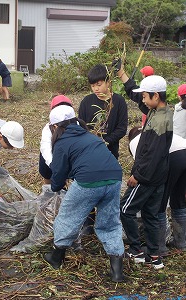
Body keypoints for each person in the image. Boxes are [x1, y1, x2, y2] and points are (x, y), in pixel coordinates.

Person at [43, 105, 125, 282]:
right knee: (110, 222)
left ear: (55, 127)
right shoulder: (90, 137)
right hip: (114, 177)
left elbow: (57, 173)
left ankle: (56, 258)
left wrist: (56, 187)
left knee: (68, 217)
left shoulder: (62, 142)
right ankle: (117, 271)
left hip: (89, 181)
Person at [119, 75, 173, 270]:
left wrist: (138, 175)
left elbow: (152, 154)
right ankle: (155, 255)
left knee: (125, 209)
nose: (142, 100)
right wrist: (125, 79)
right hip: (159, 176)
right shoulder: (161, 112)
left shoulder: (159, 121)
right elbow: (140, 103)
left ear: (156, 96)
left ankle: (137, 250)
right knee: (150, 215)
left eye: (144, 96)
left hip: (147, 177)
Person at [129, 128, 186, 256]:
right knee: (179, 199)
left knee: (159, 202)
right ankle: (181, 243)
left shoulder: (135, 142)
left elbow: (142, 166)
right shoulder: (156, 135)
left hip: (173, 157)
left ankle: (160, 247)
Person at [78, 64, 128, 234]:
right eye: (93, 86)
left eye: (99, 84)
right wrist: (91, 140)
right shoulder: (87, 102)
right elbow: (81, 126)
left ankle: (106, 222)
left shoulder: (119, 102)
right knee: (90, 185)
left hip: (110, 152)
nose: (96, 89)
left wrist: (105, 141)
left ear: (108, 82)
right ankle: (89, 221)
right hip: (89, 153)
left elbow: (122, 128)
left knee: (108, 186)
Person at [39, 95, 73, 184]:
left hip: (67, 155)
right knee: (47, 174)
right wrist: (53, 165)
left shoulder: (76, 125)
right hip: (52, 157)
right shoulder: (48, 128)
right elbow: (45, 148)